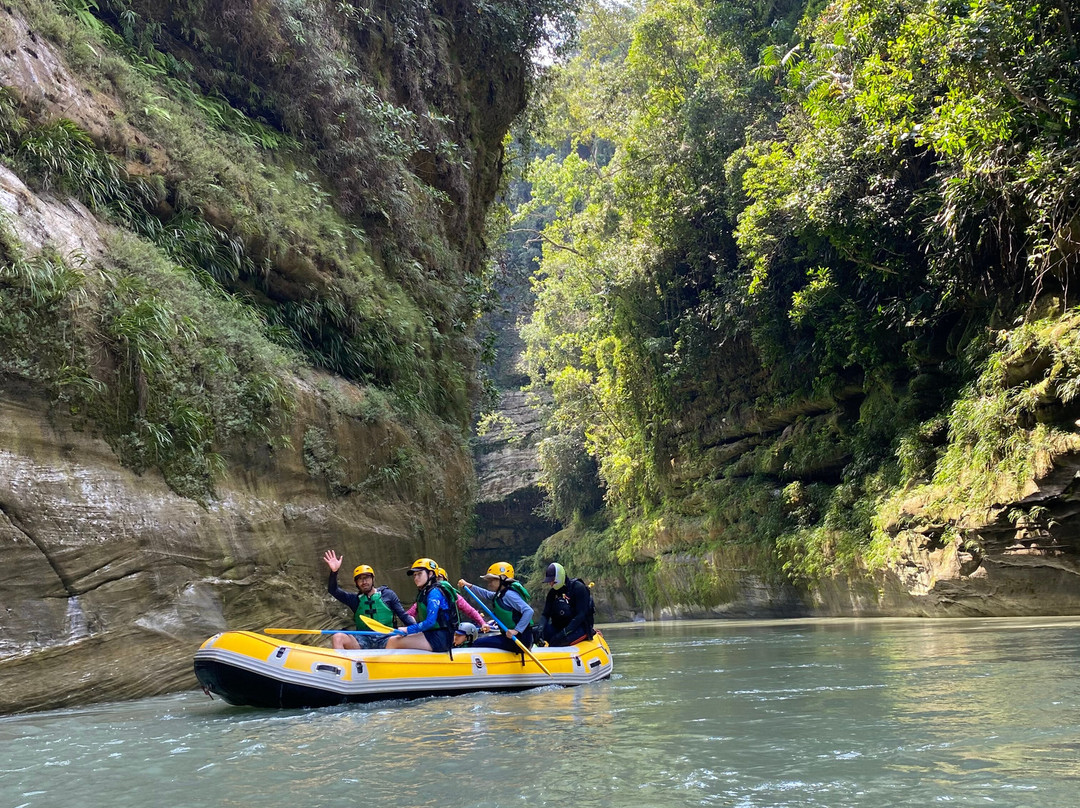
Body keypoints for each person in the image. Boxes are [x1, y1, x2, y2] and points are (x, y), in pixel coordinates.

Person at [322, 549, 414, 650]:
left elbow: (403, 616)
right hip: (363, 640)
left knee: (406, 638)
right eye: (360, 579)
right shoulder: (354, 600)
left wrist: (417, 629)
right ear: (356, 583)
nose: (364, 581)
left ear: (373, 579)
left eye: (367, 578)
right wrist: (334, 572)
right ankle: (343, 665)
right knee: (338, 637)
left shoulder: (388, 595)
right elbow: (333, 590)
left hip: (387, 638)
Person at [458, 561, 535, 652]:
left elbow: (528, 611)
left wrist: (516, 630)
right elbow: (486, 594)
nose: (489, 583)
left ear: (503, 579)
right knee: (479, 641)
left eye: (492, 580)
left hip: (520, 640)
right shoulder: (500, 594)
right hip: (509, 637)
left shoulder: (509, 595)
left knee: (477, 643)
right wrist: (468, 586)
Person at [386, 558, 455, 652]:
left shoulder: (434, 593)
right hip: (431, 634)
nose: (416, 578)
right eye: (414, 575)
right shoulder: (425, 592)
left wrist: (407, 629)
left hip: (440, 639)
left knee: (393, 642)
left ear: (430, 574)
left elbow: (430, 622)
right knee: (396, 638)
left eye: (419, 574)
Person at [405, 566, 486, 628]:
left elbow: (470, 611)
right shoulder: (425, 596)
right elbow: (409, 614)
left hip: (448, 633)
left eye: (439, 578)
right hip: (430, 633)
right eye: (435, 579)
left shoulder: (452, 595)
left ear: (445, 581)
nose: (437, 581)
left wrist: (482, 623)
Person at [538, 562, 595, 646]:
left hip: (579, 628)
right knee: (534, 633)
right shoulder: (552, 593)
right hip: (558, 627)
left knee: (556, 641)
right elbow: (545, 614)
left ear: (559, 577)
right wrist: (540, 629)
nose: (550, 584)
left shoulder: (578, 588)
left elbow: (581, 615)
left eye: (552, 581)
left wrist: (563, 633)